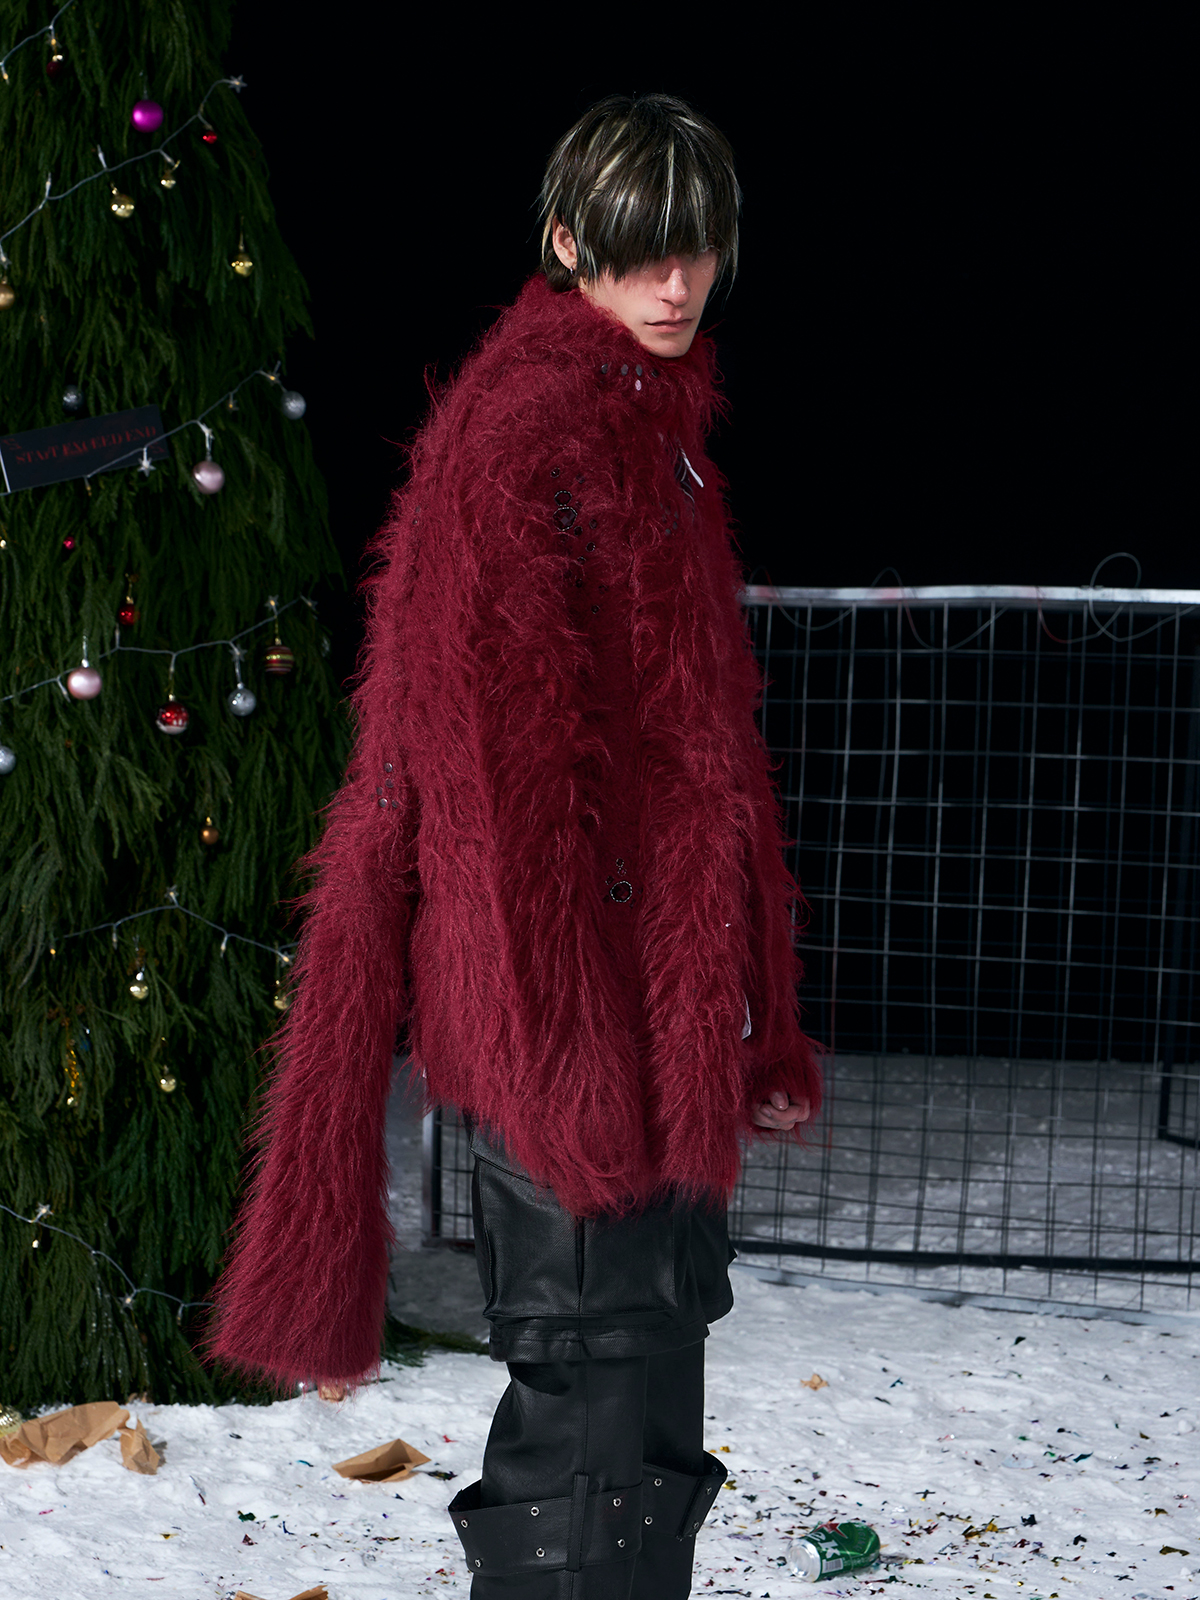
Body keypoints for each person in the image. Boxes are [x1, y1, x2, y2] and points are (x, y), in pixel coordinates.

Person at [206, 92, 822, 1599]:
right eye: (636, 250)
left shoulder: (646, 427)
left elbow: (700, 756)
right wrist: (570, 1058)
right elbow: (499, 785)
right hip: (580, 1037)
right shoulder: (538, 431)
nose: (673, 283)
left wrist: (750, 1016)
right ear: (566, 243)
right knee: (594, 1427)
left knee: (640, 1417)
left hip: (641, 1017)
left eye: (695, 248)